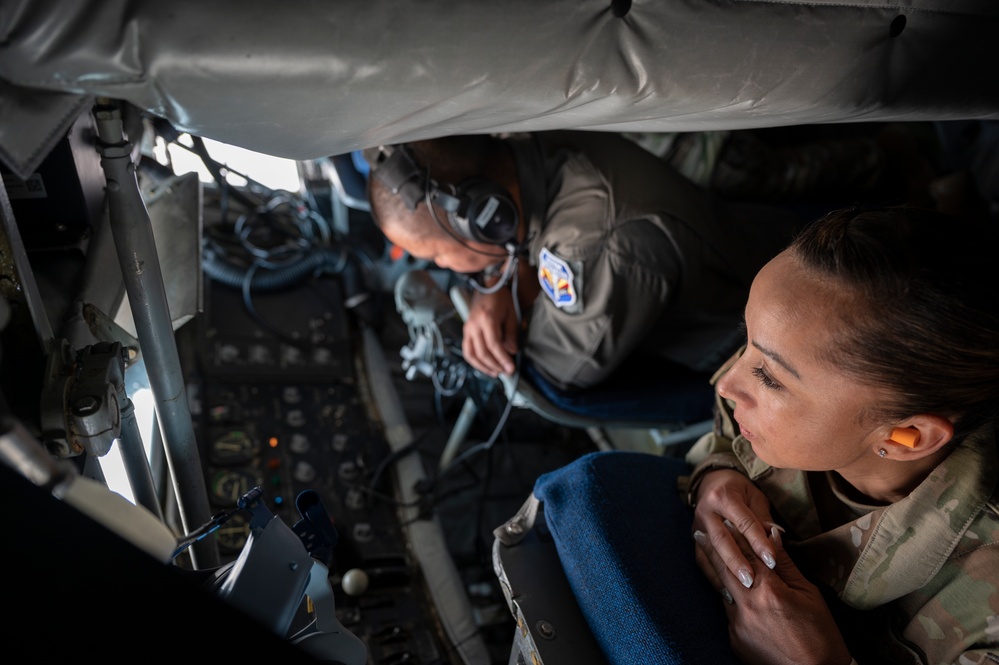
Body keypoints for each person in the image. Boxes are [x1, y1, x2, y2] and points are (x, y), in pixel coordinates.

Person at [523, 205, 999, 664]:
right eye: (746, 340)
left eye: (770, 378)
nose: (729, 384)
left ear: (905, 437)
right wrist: (717, 473)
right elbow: (726, 433)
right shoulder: (801, 382)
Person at [364, 131, 802, 394]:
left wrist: (511, 307)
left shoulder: (596, 246)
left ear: (482, 216)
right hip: (754, 232)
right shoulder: (530, 148)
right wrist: (498, 280)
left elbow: (562, 370)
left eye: (436, 253)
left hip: (750, 344)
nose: (446, 268)